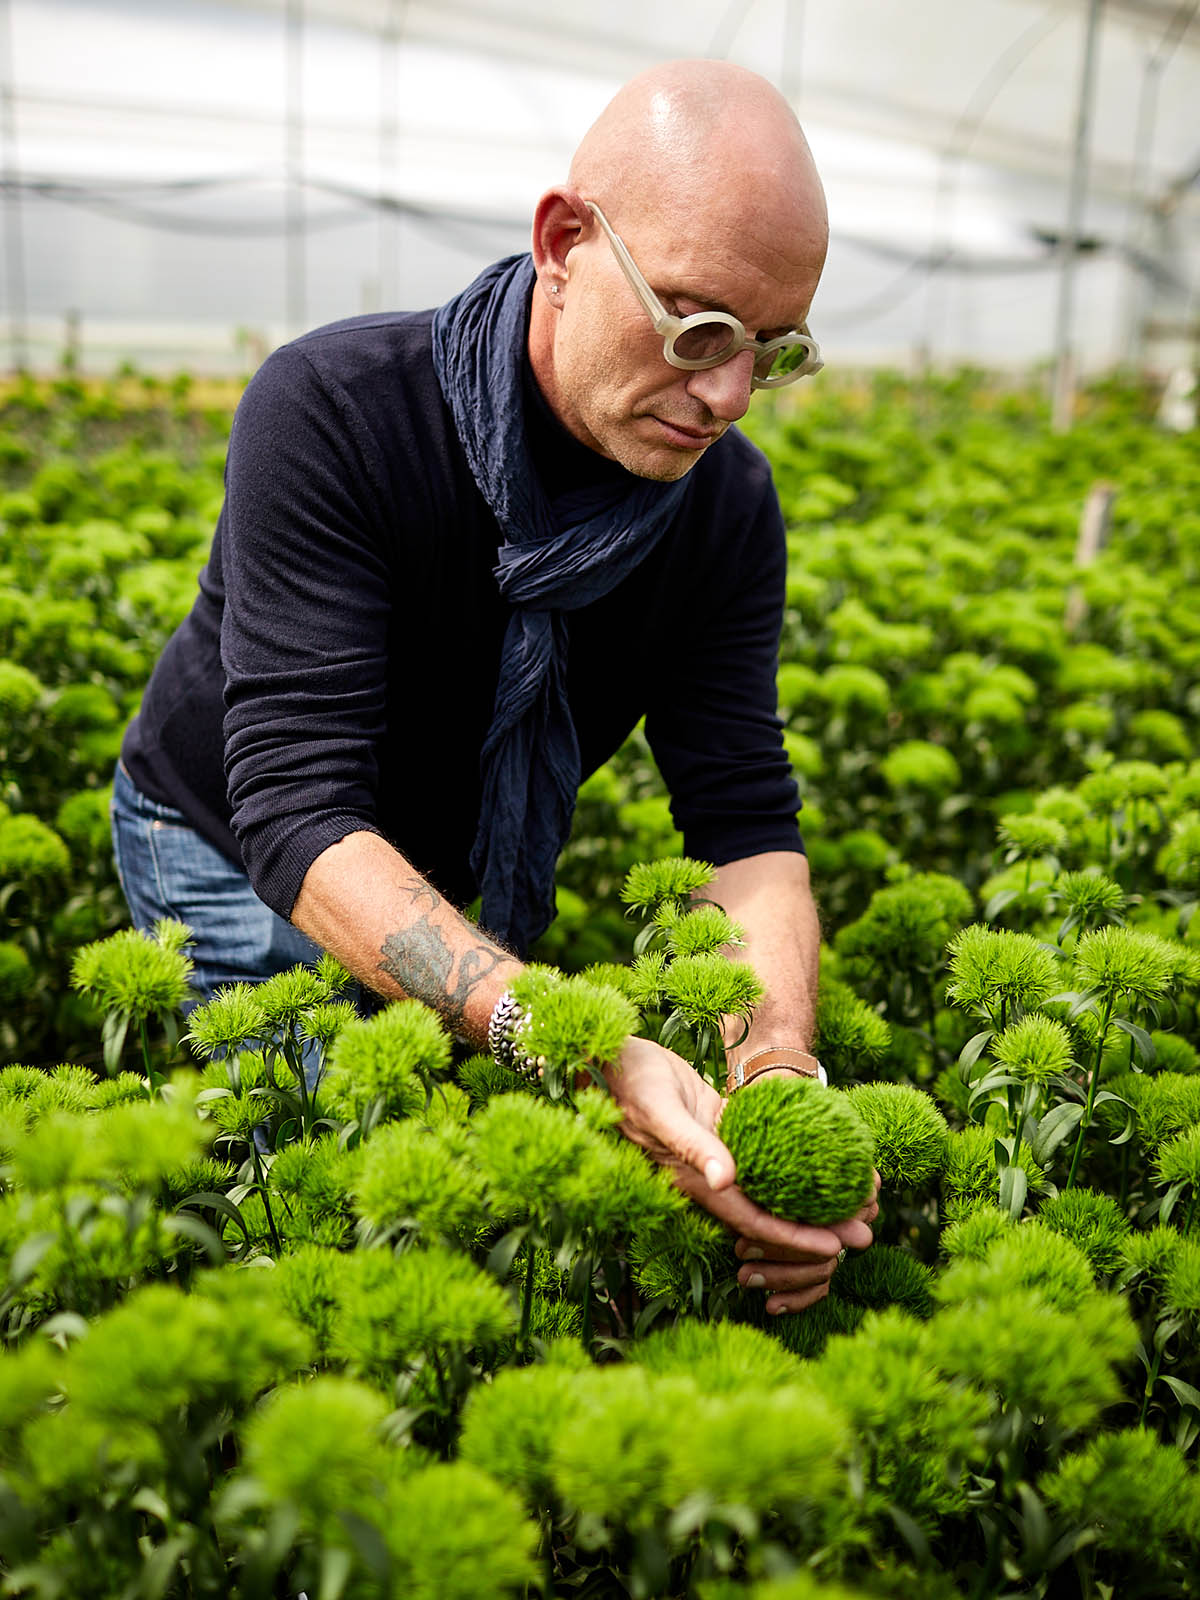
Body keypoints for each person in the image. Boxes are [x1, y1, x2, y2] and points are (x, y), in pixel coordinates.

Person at [111, 57, 877, 1314]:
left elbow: (743, 818)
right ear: (565, 240)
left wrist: (775, 1059)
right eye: (696, 327)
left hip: (436, 836)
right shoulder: (337, 412)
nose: (730, 396)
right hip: (225, 827)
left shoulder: (724, 508)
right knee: (312, 1179)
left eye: (774, 350)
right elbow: (297, 814)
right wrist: (572, 1042)